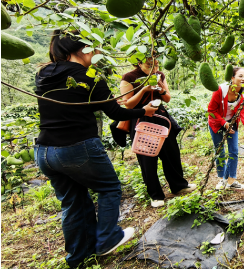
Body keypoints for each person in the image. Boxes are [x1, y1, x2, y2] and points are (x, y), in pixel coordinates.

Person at [34, 30, 159, 268]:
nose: (99, 53)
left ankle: (78, 257)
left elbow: (73, 103)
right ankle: (108, 238)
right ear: (84, 49)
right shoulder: (90, 76)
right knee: (110, 187)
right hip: (76, 146)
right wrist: (144, 111)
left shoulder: (44, 73)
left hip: (44, 151)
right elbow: (116, 113)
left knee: (73, 202)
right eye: (96, 48)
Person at [120, 57, 196, 208]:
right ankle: (155, 195)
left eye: (156, 65)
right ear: (139, 63)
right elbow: (128, 104)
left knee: (171, 153)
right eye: (149, 65)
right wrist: (144, 89)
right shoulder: (129, 78)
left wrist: (160, 88)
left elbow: (167, 98)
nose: (154, 68)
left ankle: (179, 185)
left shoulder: (159, 74)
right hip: (141, 119)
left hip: (161, 118)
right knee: (147, 158)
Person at [208, 67, 244, 190]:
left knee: (234, 151)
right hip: (216, 122)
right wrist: (224, 123)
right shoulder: (220, 90)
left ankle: (231, 180)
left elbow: (243, 112)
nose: (243, 78)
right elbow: (211, 110)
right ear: (232, 78)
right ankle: (221, 180)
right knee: (220, 151)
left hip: (232, 123)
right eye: (240, 76)